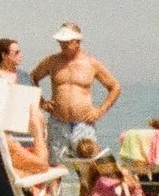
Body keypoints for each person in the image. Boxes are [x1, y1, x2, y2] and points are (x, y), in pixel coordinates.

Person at [32, 24, 121, 165]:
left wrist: (100, 111)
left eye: (67, 42)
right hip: (58, 122)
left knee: (87, 167)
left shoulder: (91, 63)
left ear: (77, 42)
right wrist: (42, 102)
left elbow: (115, 87)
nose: (63, 45)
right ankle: (55, 188)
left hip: (83, 124)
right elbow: (33, 78)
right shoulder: (51, 61)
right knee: (54, 166)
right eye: (61, 42)